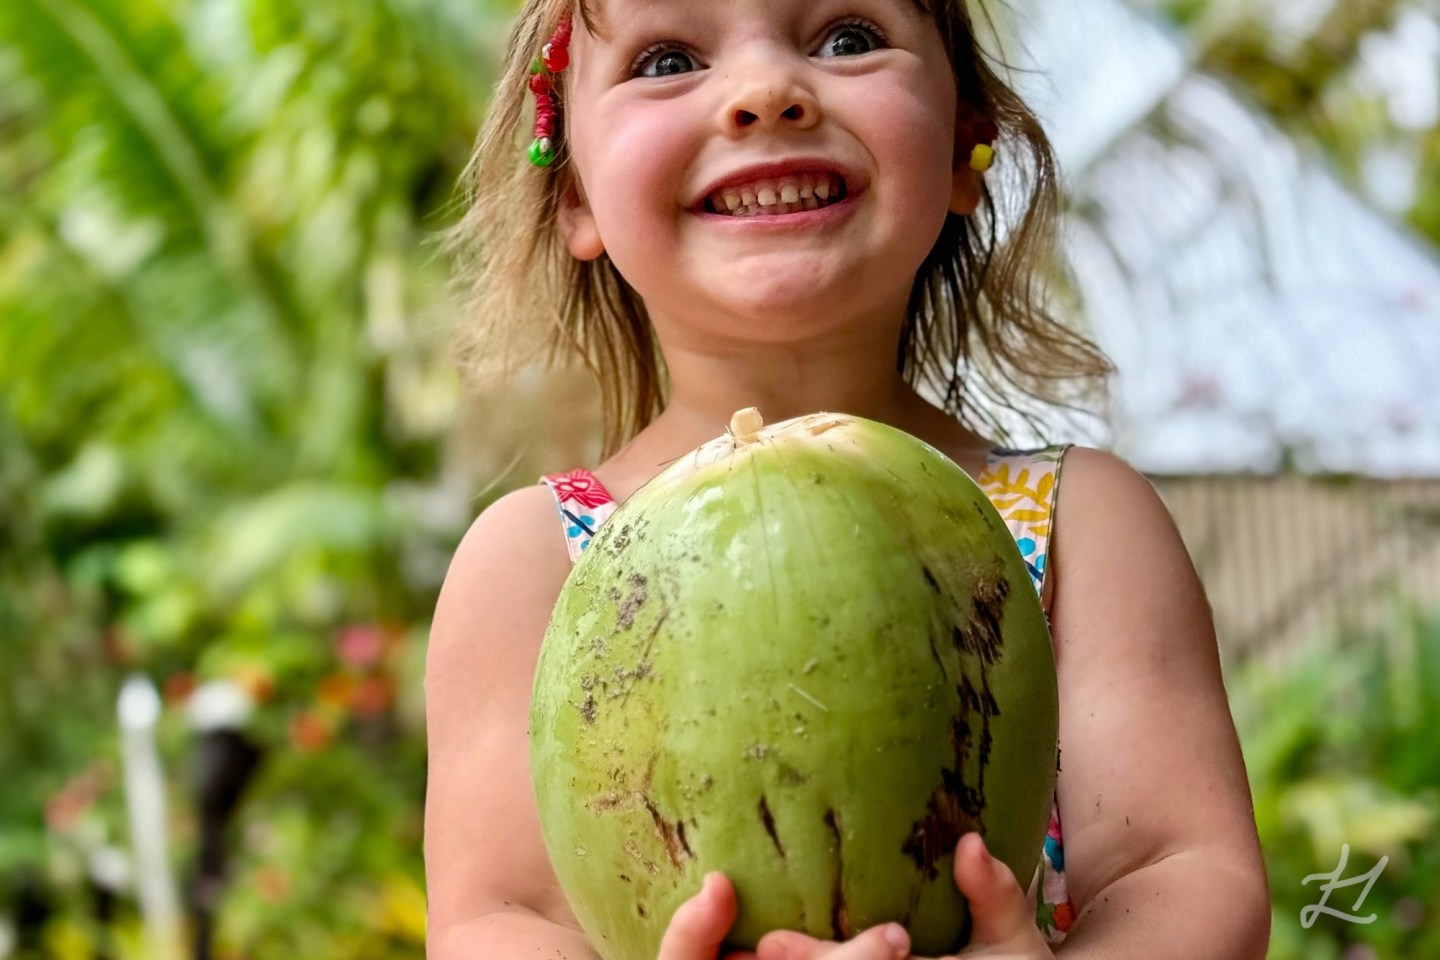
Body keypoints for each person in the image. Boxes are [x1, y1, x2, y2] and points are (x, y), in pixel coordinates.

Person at [424, 0, 1272, 957]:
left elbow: (1183, 873)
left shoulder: (1082, 522)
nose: (763, 95)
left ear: (963, 147)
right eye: (667, 57)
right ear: (574, 193)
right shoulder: (533, 559)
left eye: (847, 39)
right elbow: (501, 920)